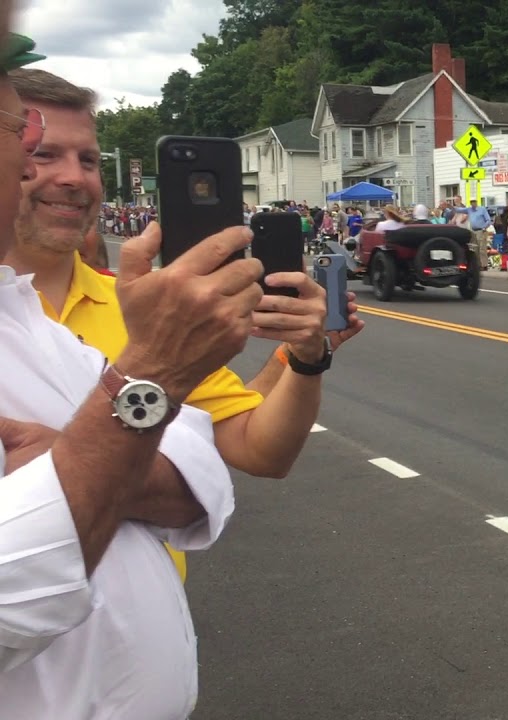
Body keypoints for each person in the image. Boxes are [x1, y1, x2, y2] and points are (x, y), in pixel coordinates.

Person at [5, 67, 365, 581]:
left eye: (87, 159)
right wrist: (166, 485)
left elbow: (259, 448)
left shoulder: (149, 308)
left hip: (142, 653)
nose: (73, 177)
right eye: (45, 154)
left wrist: (306, 357)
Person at [0, 29, 256, 716]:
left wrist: (73, 459)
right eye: (23, 141)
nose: (50, 172)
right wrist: (151, 377)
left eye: (86, 156)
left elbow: (202, 484)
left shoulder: (21, 320)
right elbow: (10, 595)